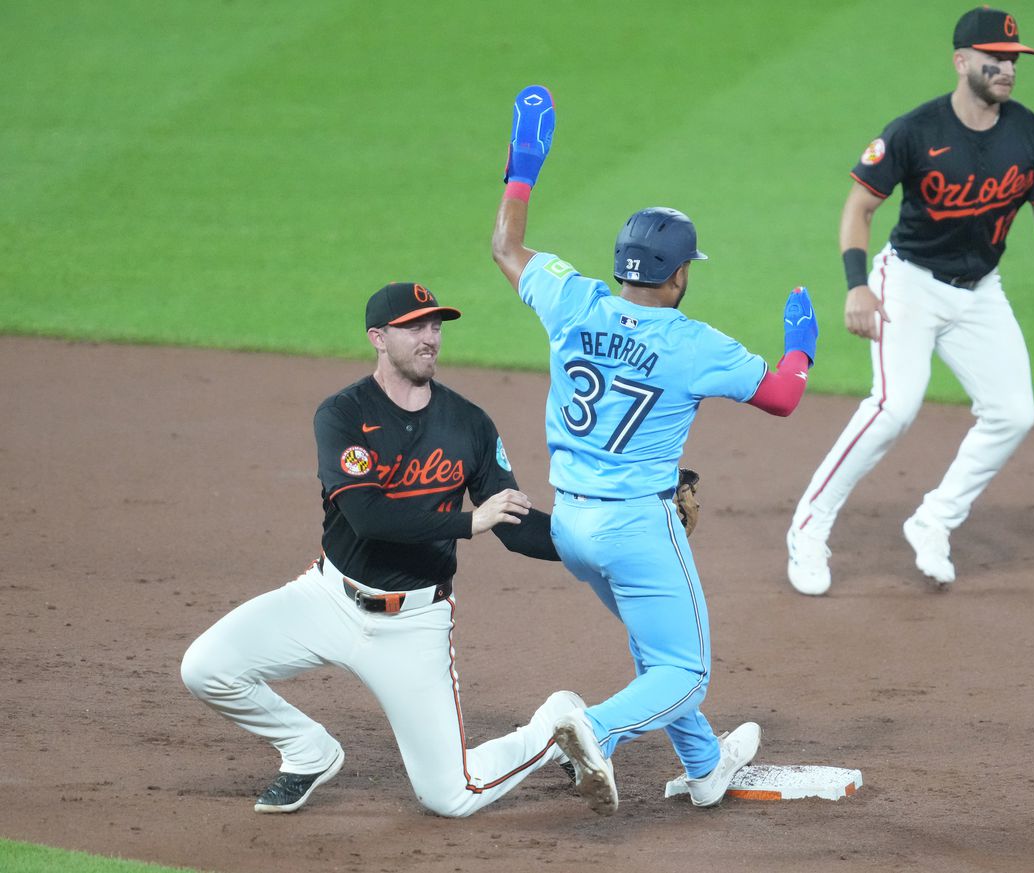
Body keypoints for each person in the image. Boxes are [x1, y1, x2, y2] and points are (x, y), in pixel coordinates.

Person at [490, 85, 819, 815]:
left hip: (569, 525)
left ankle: (705, 766)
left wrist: (526, 162)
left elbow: (506, 247)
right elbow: (784, 397)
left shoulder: (572, 300)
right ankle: (596, 729)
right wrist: (800, 348)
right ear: (676, 275)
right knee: (686, 669)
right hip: (638, 525)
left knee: (654, 640)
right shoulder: (694, 344)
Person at [180, 281, 583, 817]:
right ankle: (308, 750)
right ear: (378, 337)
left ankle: (552, 728)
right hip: (328, 599)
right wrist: (467, 522)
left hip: (414, 625)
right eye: (414, 327)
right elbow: (368, 517)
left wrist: (602, 541)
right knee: (206, 667)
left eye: (435, 326)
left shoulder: (469, 424)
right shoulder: (343, 415)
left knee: (450, 797)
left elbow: (513, 526)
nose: (430, 338)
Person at [786, 7, 1034, 596]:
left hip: (980, 292)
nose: (1007, 68)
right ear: (962, 61)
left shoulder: (1031, 134)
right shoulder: (916, 131)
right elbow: (859, 207)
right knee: (894, 407)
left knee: (1014, 412)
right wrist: (857, 283)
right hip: (908, 282)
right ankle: (809, 528)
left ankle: (934, 519)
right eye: (995, 58)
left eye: (1013, 59)